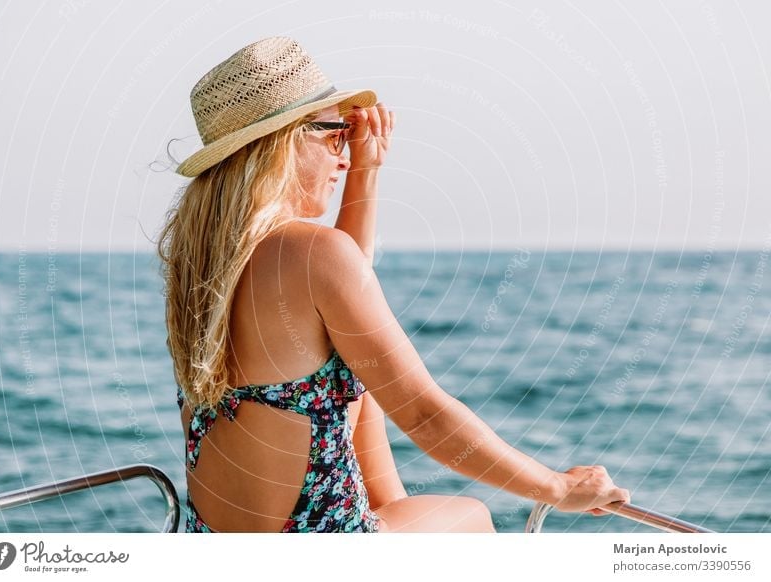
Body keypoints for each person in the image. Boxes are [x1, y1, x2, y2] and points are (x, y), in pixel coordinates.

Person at [158, 36, 630, 533]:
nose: (343, 157)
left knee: (353, 370)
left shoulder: (204, 267)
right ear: (287, 141)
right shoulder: (313, 254)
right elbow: (425, 416)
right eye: (335, 136)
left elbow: (341, 299)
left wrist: (366, 169)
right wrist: (557, 487)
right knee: (471, 519)